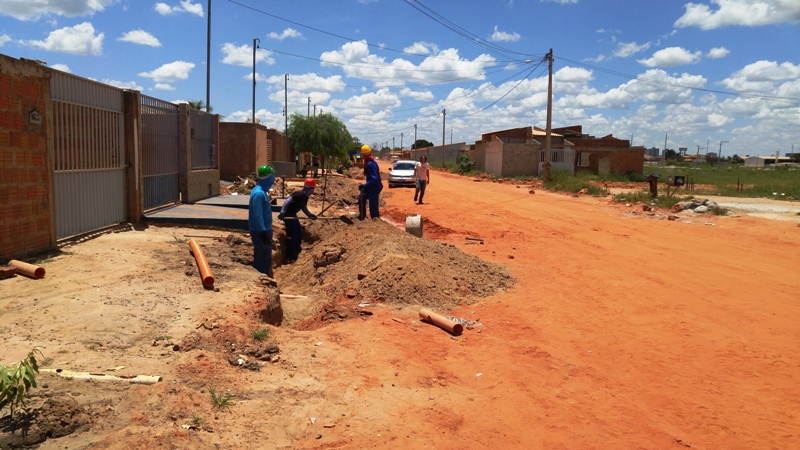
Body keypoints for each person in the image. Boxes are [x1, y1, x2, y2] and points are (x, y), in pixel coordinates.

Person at [278, 178, 318, 262]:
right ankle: (291, 253)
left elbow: (303, 206)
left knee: (299, 230)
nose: (313, 190)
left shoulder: (305, 197)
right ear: (309, 188)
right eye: (313, 188)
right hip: (288, 214)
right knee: (293, 232)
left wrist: (309, 215)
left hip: (293, 214)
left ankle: (297, 248)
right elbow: (287, 202)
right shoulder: (299, 194)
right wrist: (282, 212)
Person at [248, 165, 276, 276]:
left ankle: (265, 276)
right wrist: (263, 232)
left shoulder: (260, 191)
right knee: (262, 257)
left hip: (263, 230)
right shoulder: (258, 194)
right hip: (260, 231)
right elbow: (257, 215)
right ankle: (261, 279)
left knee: (265, 256)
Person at [358, 144, 383, 220]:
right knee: (361, 197)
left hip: (374, 187)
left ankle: (376, 220)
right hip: (371, 186)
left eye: (362, 155)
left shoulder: (370, 164)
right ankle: (362, 215)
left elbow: (374, 179)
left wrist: (365, 185)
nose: (362, 157)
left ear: (364, 155)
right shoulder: (370, 162)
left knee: (373, 206)